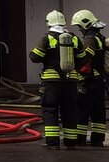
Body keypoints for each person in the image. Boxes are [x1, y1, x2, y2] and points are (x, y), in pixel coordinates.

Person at [30, 10, 85, 149]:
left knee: (50, 109)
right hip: (71, 81)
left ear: (48, 23)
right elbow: (83, 58)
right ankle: (71, 142)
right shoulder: (74, 38)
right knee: (70, 110)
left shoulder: (48, 38)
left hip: (51, 81)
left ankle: (53, 143)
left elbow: (35, 57)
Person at [71, 10, 109, 147]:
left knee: (82, 110)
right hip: (99, 81)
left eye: (80, 27)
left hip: (88, 81)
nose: (80, 30)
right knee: (98, 111)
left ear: (85, 24)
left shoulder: (89, 39)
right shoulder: (100, 37)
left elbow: (85, 59)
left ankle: (80, 138)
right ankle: (98, 139)